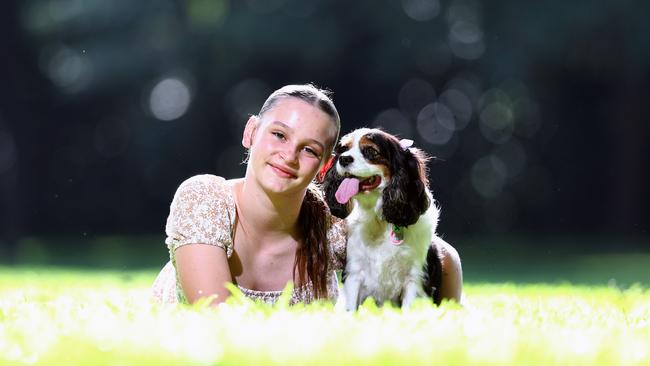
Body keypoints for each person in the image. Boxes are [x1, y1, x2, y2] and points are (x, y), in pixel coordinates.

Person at [151, 84, 463, 306]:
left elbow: (441, 256)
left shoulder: (333, 227)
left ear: (327, 164)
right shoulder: (204, 198)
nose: (288, 156)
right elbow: (215, 319)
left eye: (309, 149)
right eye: (279, 135)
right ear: (250, 132)